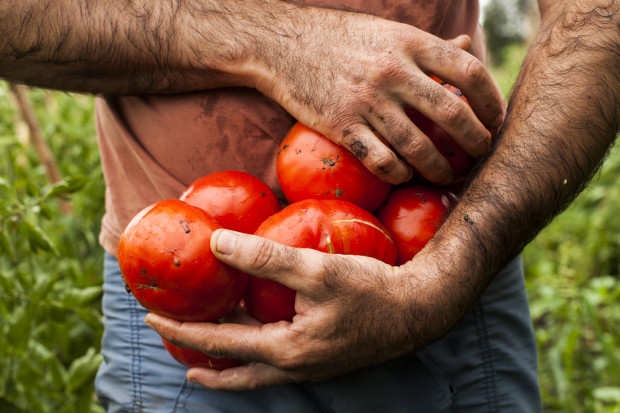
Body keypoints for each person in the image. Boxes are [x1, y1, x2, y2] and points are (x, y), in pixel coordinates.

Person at [1, 0, 617, 411]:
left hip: (451, 265)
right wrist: (278, 44)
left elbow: (598, 16)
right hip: (187, 316)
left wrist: (452, 270)